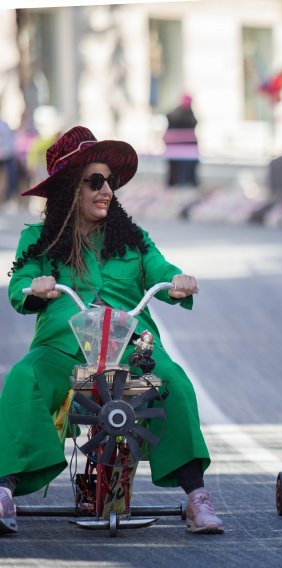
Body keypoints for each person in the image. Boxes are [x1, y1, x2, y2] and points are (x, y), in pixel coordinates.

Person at [0, 126, 222, 535]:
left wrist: (178, 279)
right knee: (23, 377)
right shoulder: (39, 241)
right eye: (95, 181)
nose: (106, 190)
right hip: (63, 351)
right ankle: (3, 489)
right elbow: (19, 286)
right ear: (71, 189)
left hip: (131, 349)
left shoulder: (133, 239)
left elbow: (161, 270)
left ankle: (196, 496)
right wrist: (37, 286)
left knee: (173, 380)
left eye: (111, 182)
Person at [164, 94, 199, 187]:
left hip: (174, 147)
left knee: (175, 167)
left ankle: (176, 183)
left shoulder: (174, 114)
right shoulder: (187, 115)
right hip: (186, 148)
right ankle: (185, 182)